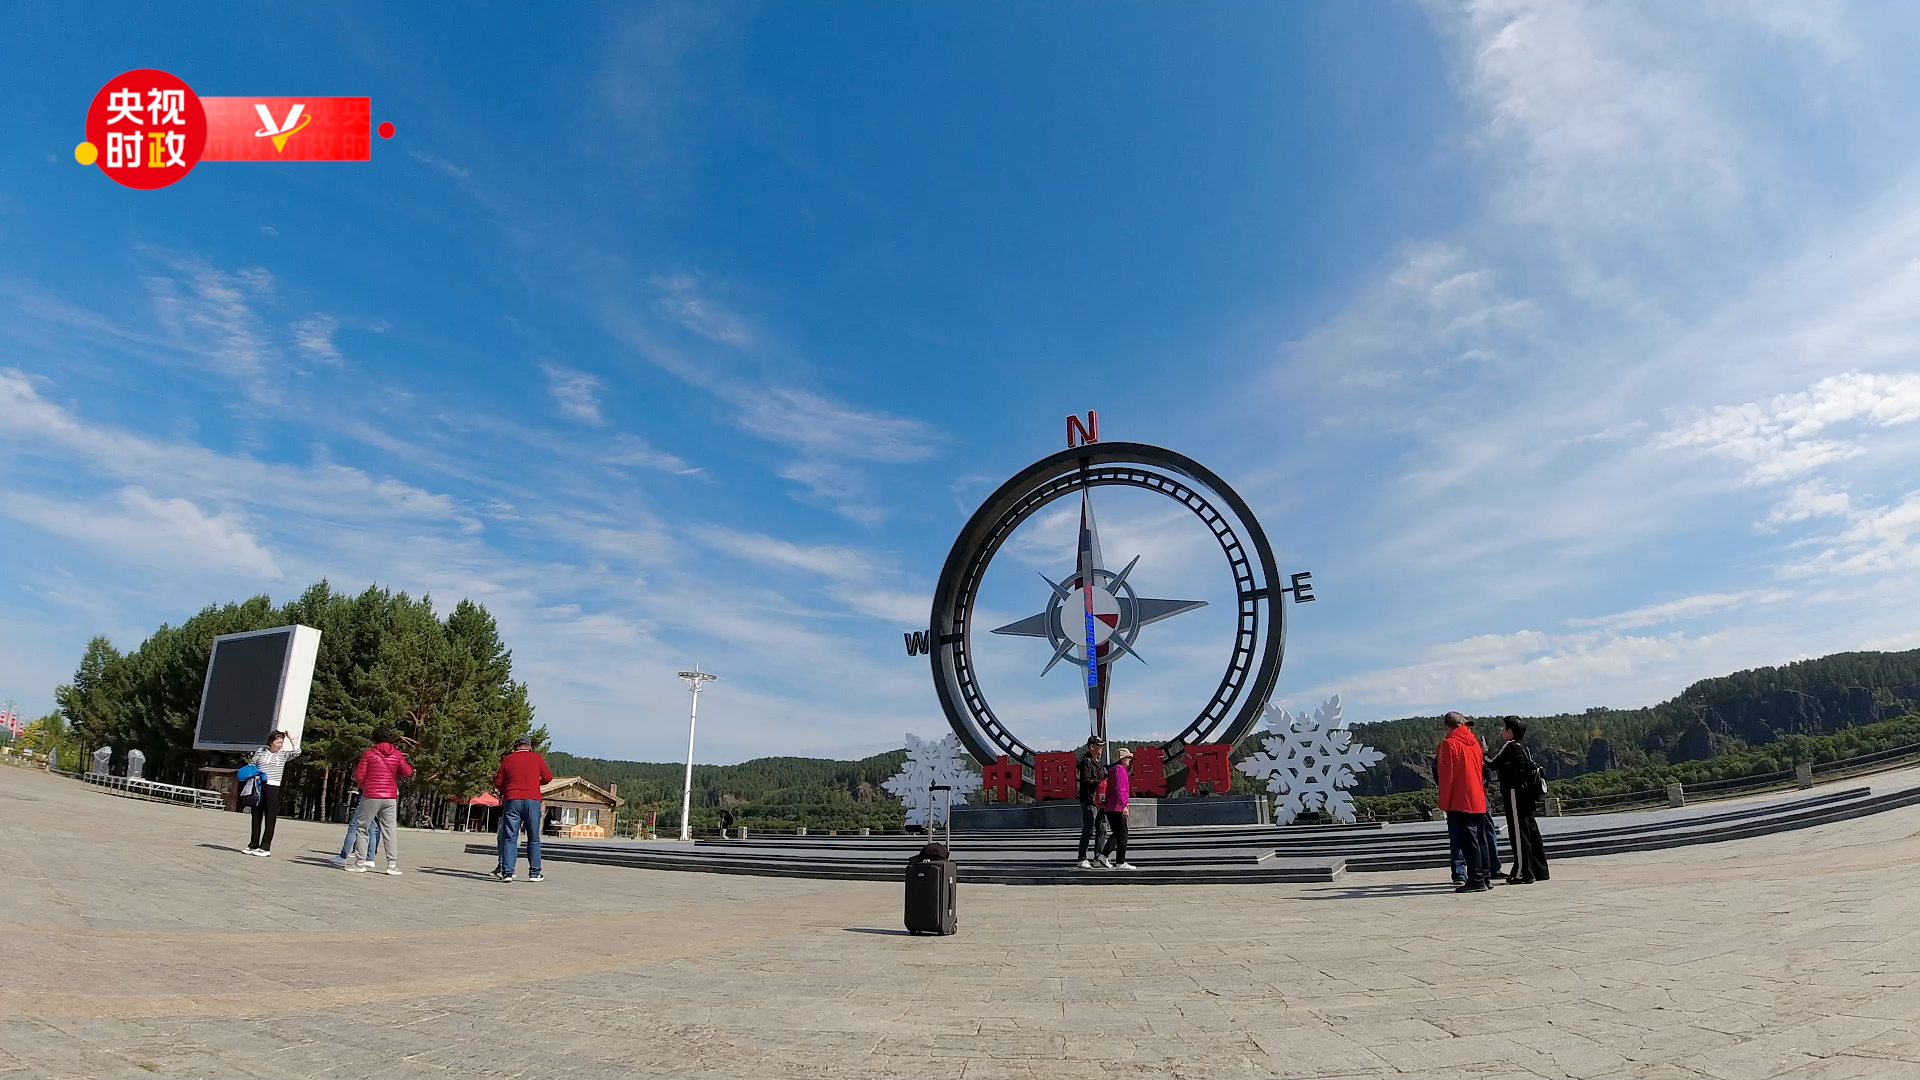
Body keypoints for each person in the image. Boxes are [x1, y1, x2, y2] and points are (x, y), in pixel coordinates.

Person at [1487, 717, 1551, 884]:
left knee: (1518, 832)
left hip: (1515, 793)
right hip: (1527, 793)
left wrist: (1482, 753)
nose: (1502, 731)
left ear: (1510, 731)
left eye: (1504, 728)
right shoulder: (1525, 747)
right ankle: (1540, 870)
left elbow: (1493, 764)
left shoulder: (1511, 746)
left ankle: (1523, 872)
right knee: (1530, 830)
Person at [342, 731, 412, 875]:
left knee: (363, 828)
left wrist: (364, 785)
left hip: (371, 795)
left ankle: (360, 862)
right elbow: (407, 772)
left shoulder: (369, 754)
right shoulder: (397, 754)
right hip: (390, 796)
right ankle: (392, 864)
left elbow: (359, 775)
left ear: (374, 738)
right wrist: (393, 774)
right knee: (390, 830)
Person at [1435, 712, 1490, 892]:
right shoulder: (1475, 744)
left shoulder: (1448, 744)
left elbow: (1446, 777)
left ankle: (1476, 880)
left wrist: (1444, 802)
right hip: (1478, 798)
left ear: (1446, 726)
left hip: (1459, 799)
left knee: (1467, 842)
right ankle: (1485, 876)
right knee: (1481, 840)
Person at [493, 734, 553, 883]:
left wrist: (508, 788)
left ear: (515, 747)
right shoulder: (536, 758)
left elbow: (498, 782)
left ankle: (507, 872)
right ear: (529, 746)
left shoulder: (507, 760)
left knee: (510, 837)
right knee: (533, 838)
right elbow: (548, 777)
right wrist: (535, 783)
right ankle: (534, 873)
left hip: (512, 800)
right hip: (532, 800)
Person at [243, 730, 300, 857]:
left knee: (270, 817)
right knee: (256, 815)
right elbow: (253, 764)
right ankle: (253, 844)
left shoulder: (284, 755)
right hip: (259, 785)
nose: (280, 745)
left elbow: (297, 752)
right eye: (278, 742)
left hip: (273, 787)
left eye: (281, 742)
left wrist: (291, 738)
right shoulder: (261, 751)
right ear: (271, 742)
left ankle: (265, 846)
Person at [1097, 746, 1136, 870]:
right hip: (1117, 807)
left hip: (1110, 807)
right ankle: (1119, 861)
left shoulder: (1113, 770)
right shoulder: (1120, 770)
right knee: (1123, 833)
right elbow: (1120, 789)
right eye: (1128, 758)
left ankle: (1105, 856)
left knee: (1117, 833)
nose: (1129, 760)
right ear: (1122, 759)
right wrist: (1124, 805)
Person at [1075, 734, 1110, 869]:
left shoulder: (1099, 762)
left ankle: (1098, 857)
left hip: (1100, 801)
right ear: (1092, 747)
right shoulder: (1086, 762)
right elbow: (1086, 781)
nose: (1101, 748)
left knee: (1102, 829)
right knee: (1088, 829)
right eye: (1099, 746)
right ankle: (1082, 857)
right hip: (1089, 800)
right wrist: (1100, 783)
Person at [330, 787, 384, 868]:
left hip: (367, 795)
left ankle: (343, 856)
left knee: (354, 827)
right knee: (372, 829)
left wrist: (359, 787)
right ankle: (370, 859)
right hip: (381, 797)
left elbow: (361, 778)